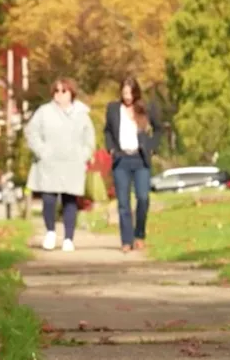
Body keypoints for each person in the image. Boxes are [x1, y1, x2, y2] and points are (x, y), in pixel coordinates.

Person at [25, 77, 95, 252]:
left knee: (70, 201)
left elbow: (89, 140)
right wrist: (42, 151)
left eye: (63, 91)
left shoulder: (81, 114)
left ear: (71, 93)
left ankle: (68, 238)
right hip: (49, 164)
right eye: (56, 91)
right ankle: (50, 232)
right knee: (48, 199)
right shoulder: (44, 112)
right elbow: (31, 132)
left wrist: (83, 156)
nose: (59, 95)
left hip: (73, 164)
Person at [104, 76, 162, 253]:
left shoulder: (145, 108)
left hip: (140, 159)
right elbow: (107, 131)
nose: (127, 96)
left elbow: (158, 129)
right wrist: (111, 149)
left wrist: (152, 146)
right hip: (121, 159)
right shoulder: (113, 109)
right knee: (123, 202)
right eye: (124, 92)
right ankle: (126, 240)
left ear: (135, 92)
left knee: (143, 198)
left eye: (130, 93)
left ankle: (140, 234)